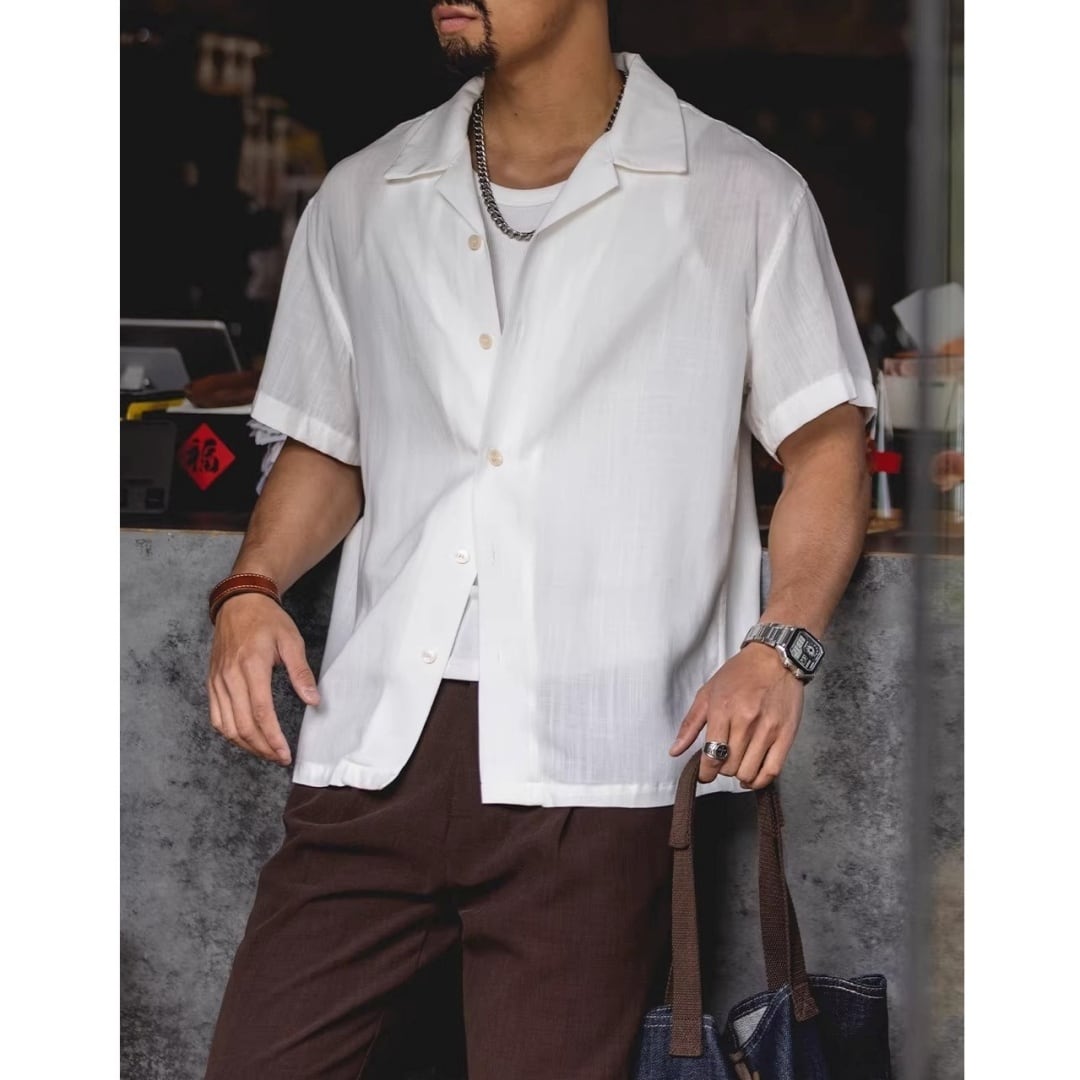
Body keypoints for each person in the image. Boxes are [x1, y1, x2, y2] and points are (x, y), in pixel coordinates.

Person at [202, 2, 876, 1077]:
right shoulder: (364, 195)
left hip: (598, 769)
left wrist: (780, 643)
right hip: (375, 745)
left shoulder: (742, 193)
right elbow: (331, 445)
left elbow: (825, 445)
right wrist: (251, 586)